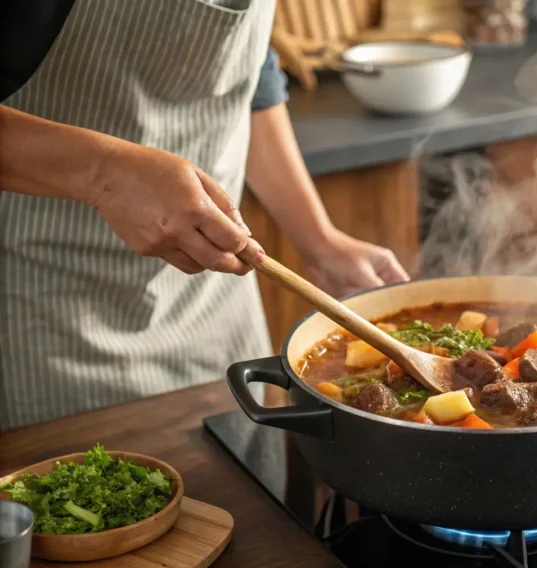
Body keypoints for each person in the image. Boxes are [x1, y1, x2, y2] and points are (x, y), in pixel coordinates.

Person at [0, 0, 410, 431]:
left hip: (219, 315)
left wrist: (319, 239)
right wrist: (105, 174)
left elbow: (246, 71)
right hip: (50, 312)